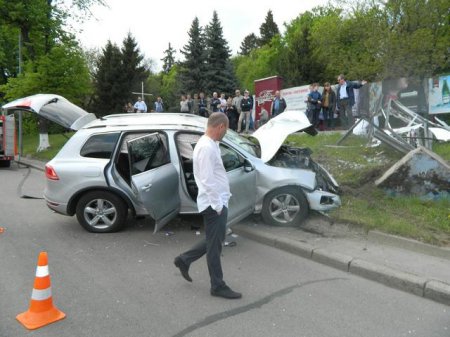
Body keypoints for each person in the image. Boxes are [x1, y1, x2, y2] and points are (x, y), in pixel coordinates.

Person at [174, 112, 241, 299]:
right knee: (215, 246)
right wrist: (218, 205)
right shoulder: (206, 147)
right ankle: (217, 286)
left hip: (216, 202)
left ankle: (184, 259)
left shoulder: (211, 145)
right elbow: (206, 180)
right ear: (220, 127)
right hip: (214, 204)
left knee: (214, 239)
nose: (225, 133)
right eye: (225, 130)